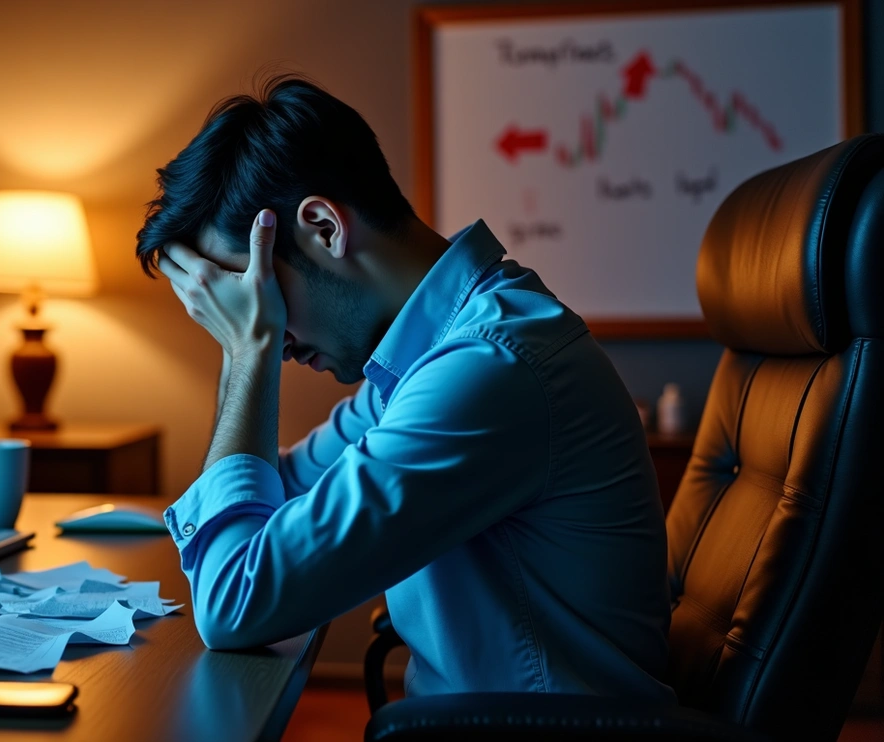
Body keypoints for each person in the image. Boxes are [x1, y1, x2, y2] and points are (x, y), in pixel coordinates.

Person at [136, 75, 673, 701]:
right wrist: (244, 351)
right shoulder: (426, 361)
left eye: (251, 286)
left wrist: (246, 350)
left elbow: (235, 601)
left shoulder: (487, 372)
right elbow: (274, 498)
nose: (265, 323)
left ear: (324, 228)